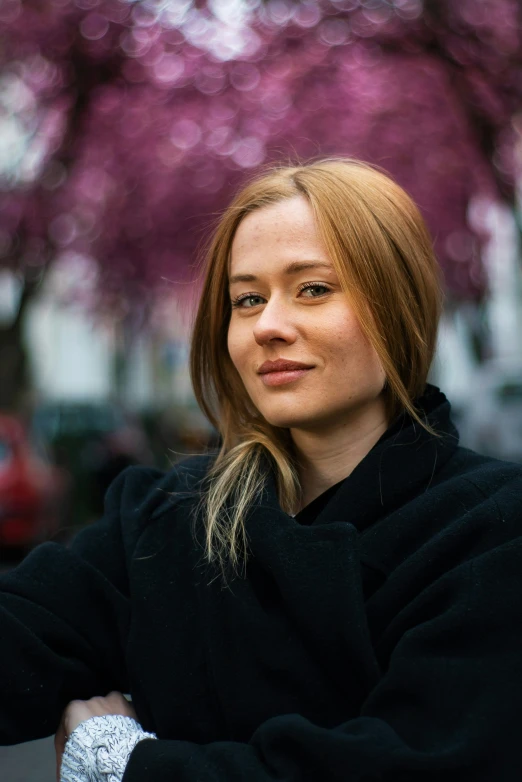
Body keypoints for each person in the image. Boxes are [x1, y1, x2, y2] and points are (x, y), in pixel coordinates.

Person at [1, 158, 522, 782]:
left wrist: (125, 764)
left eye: (313, 289)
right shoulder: (166, 517)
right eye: (247, 299)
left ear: (398, 305)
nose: (268, 326)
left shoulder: (491, 530)